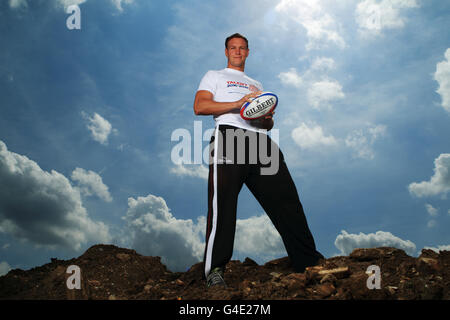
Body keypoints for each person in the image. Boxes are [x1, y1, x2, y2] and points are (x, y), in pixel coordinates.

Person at [193, 33, 324, 288]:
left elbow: (266, 123)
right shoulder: (214, 76)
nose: (238, 52)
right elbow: (200, 106)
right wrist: (237, 103)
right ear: (226, 51)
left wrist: (266, 116)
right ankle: (215, 270)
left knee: (287, 201)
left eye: (242, 48)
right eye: (233, 48)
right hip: (228, 137)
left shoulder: (256, 83)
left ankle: (308, 261)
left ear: (248, 52)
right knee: (224, 205)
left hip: (259, 142)